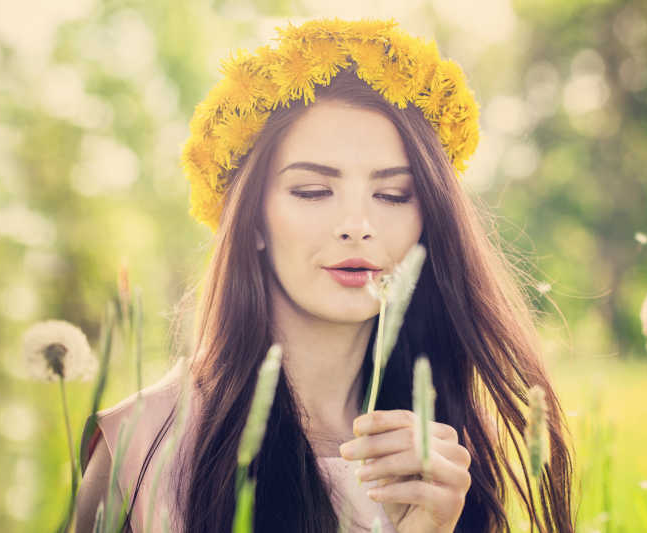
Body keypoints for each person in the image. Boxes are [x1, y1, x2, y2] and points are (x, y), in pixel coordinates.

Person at [75, 17, 575, 533]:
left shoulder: (453, 455)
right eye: (312, 191)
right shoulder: (141, 447)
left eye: (392, 195)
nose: (357, 227)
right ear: (251, 221)